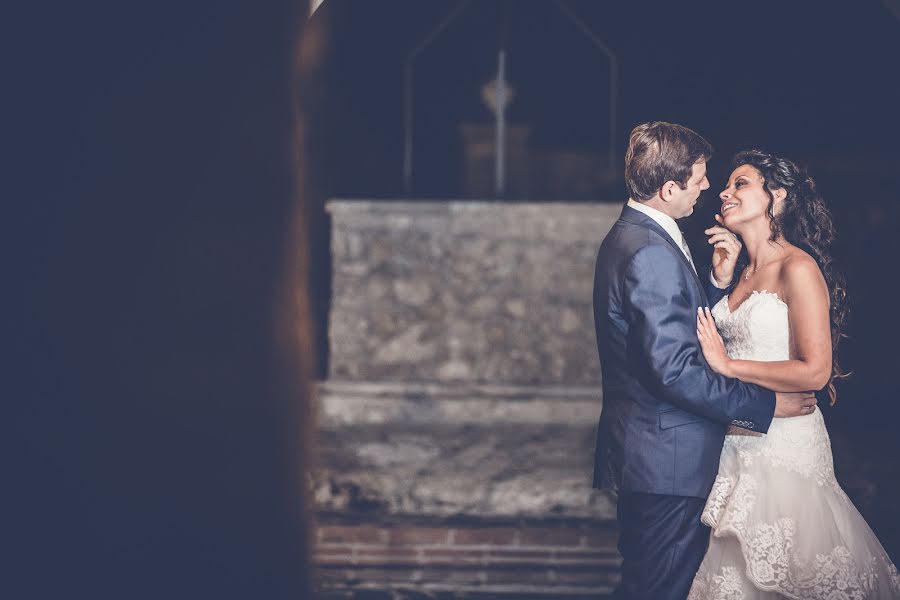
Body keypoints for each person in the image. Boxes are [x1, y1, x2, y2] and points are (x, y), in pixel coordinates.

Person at [592, 122, 816, 600]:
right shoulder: (650, 250)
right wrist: (764, 406)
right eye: (699, 177)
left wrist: (717, 284)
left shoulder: (640, 237)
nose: (708, 186)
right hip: (668, 460)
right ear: (669, 187)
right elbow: (674, 371)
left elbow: (674, 331)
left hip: (669, 458)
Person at [688, 150, 900, 598]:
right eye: (726, 186)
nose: (724, 193)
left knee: (794, 575)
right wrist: (720, 282)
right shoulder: (740, 270)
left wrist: (729, 366)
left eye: (739, 184)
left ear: (776, 196)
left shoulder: (798, 267)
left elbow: (816, 371)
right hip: (735, 442)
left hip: (786, 444)